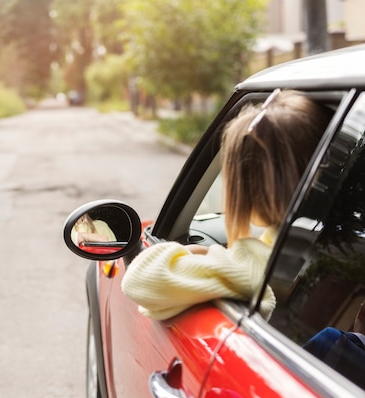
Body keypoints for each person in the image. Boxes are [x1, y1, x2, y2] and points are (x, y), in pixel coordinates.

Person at [121, 89, 333, 321]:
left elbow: (138, 280)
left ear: (247, 187)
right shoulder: (327, 243)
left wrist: (199, 251)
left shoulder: (251, 264)